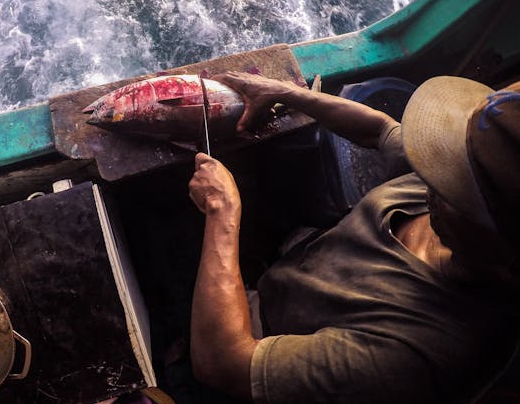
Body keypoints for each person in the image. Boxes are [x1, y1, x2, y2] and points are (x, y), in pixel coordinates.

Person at [187, 72, 520, 403]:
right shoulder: (464, 180)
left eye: (452, 185)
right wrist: (287, 93)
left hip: (256, 340)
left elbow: (223, 364)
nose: (433, 178)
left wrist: (223, 212)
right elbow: (379, 129)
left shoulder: (414, 357)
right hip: (291, 274)